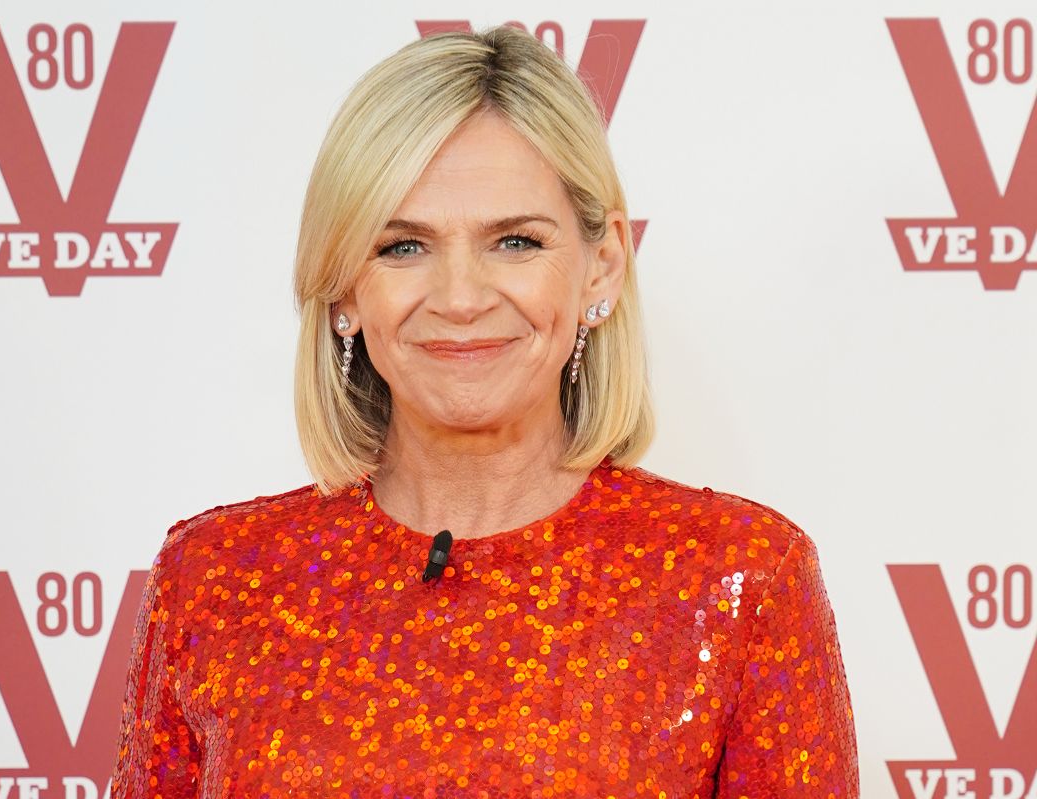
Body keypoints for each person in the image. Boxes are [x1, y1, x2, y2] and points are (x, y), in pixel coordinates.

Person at [109, 24, 858, 798]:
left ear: (601, 267)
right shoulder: (213, 579)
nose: (461, 298)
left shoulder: (742, 579)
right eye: (403, 247)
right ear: (342, 290)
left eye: (515, 241)